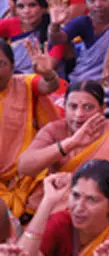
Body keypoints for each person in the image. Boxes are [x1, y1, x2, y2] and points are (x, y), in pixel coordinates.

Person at [18, 80, 109, 210]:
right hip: (55, 207)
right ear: (65, 106)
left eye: (88, 107)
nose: (79, 115)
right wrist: (71, 143)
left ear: (102, 109)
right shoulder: (54, 130)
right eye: (73, 106)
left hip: (102, 212)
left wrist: (106, 212)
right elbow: (25, 167)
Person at [17, 161, 109, 255]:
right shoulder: (61, 223)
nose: (79, 207)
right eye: (75, 195)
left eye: (91, 199)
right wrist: (47, 202)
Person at [0, 39, 59, 218]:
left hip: (29, 176)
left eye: (0, 64)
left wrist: (48, 74)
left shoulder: (25, 84)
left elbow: (49, 86)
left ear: (12, 66)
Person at [0, 0, 65, 74]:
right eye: (20, 6)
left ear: (43, 8)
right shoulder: (12, 24)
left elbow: (49, 66)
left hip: (44, 81)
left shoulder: (57, 32)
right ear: (15, 10)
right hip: (12, 78)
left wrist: (55, 25)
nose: (26, 11)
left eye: (32, 5)